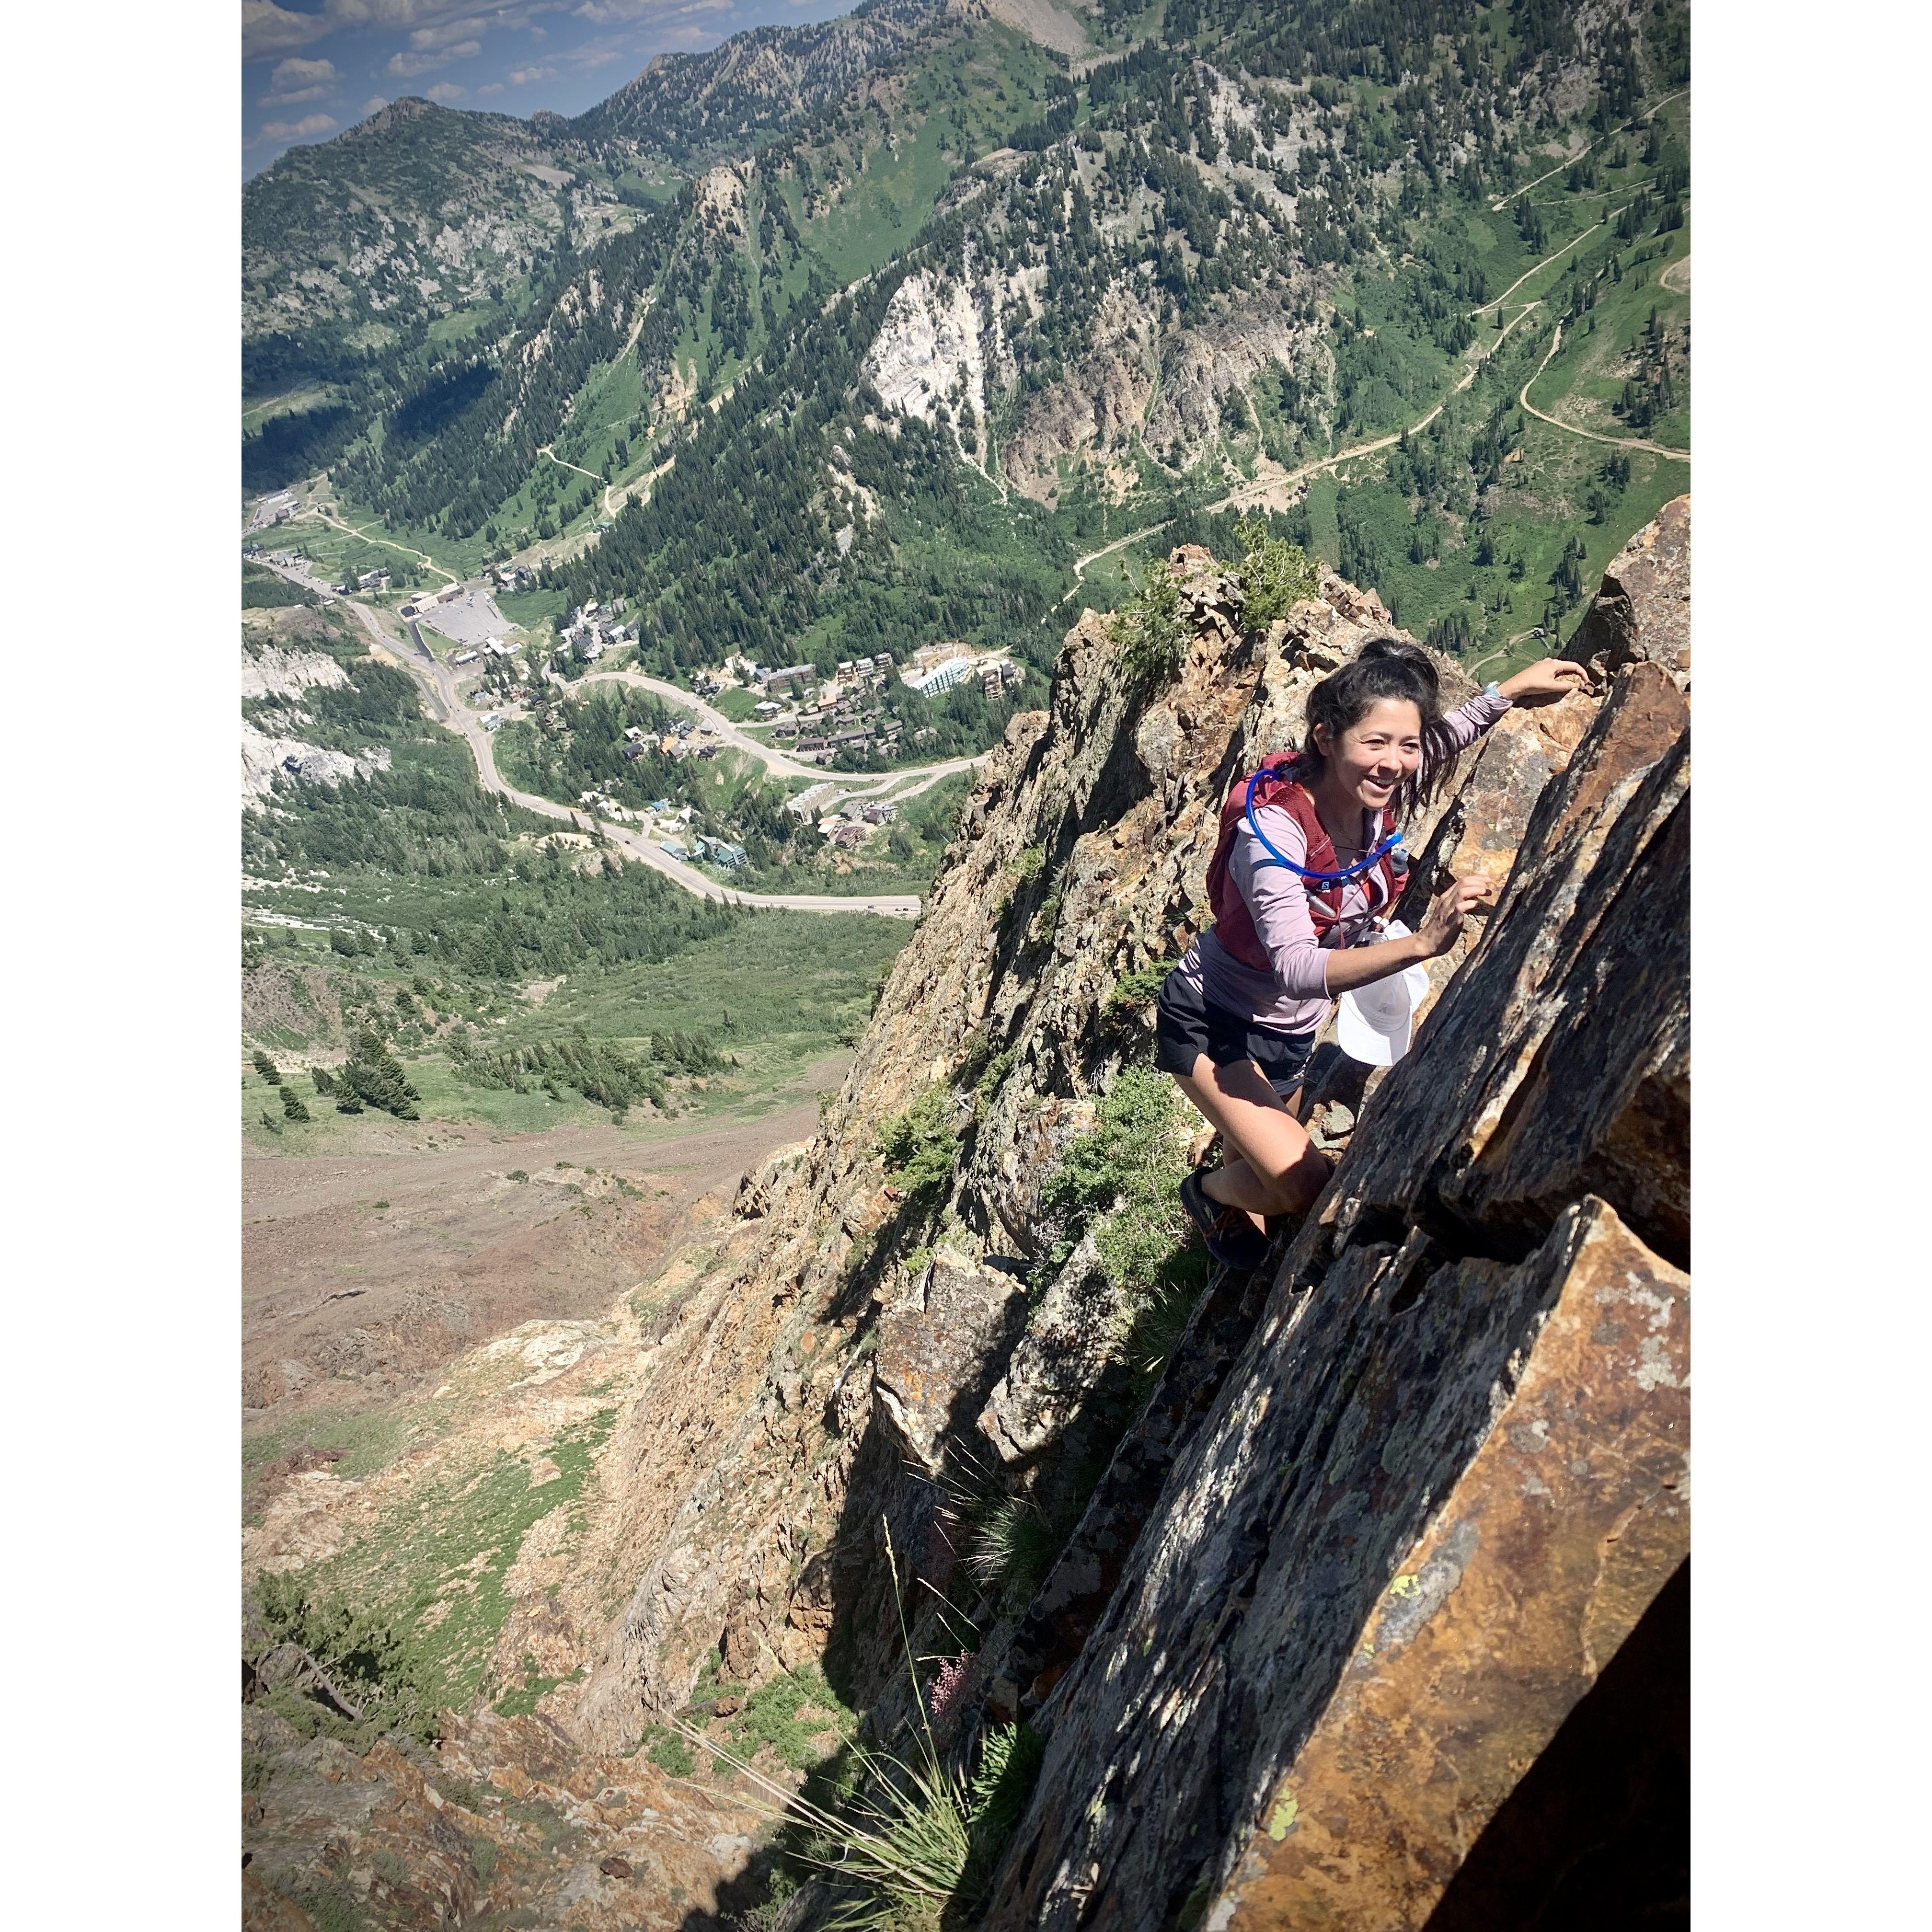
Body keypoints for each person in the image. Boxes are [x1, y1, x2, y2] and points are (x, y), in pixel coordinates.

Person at [1155, 638, 1588, 1271]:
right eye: (1374, 743)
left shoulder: (1373, 792)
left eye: (1405, 745)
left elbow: (1440, 740)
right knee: (1300, 1188)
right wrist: (1420, 946)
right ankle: (1204, 1192)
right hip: (1213, 1022)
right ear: (1326, 739)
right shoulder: (1272, 833)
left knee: (1256, 1158)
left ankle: (1230, 1182)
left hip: (1290, 1033)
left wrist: (1512, 691)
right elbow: (1299, 970)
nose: (1393, 763)